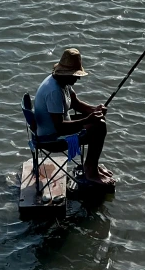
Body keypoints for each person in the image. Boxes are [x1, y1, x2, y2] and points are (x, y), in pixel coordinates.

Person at [34, 47, 115, 187]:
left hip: (59, 128)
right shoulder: (53, 91)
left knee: (99, 121)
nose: (78, 78)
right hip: (52, 138)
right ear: (66, 74)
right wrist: (89, 119)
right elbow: (60, 127)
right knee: (99, 126)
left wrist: (94, 109)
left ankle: (91, 165)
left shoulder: (62, 82)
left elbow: (76, 103)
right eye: (75, 75)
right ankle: (90, 170)